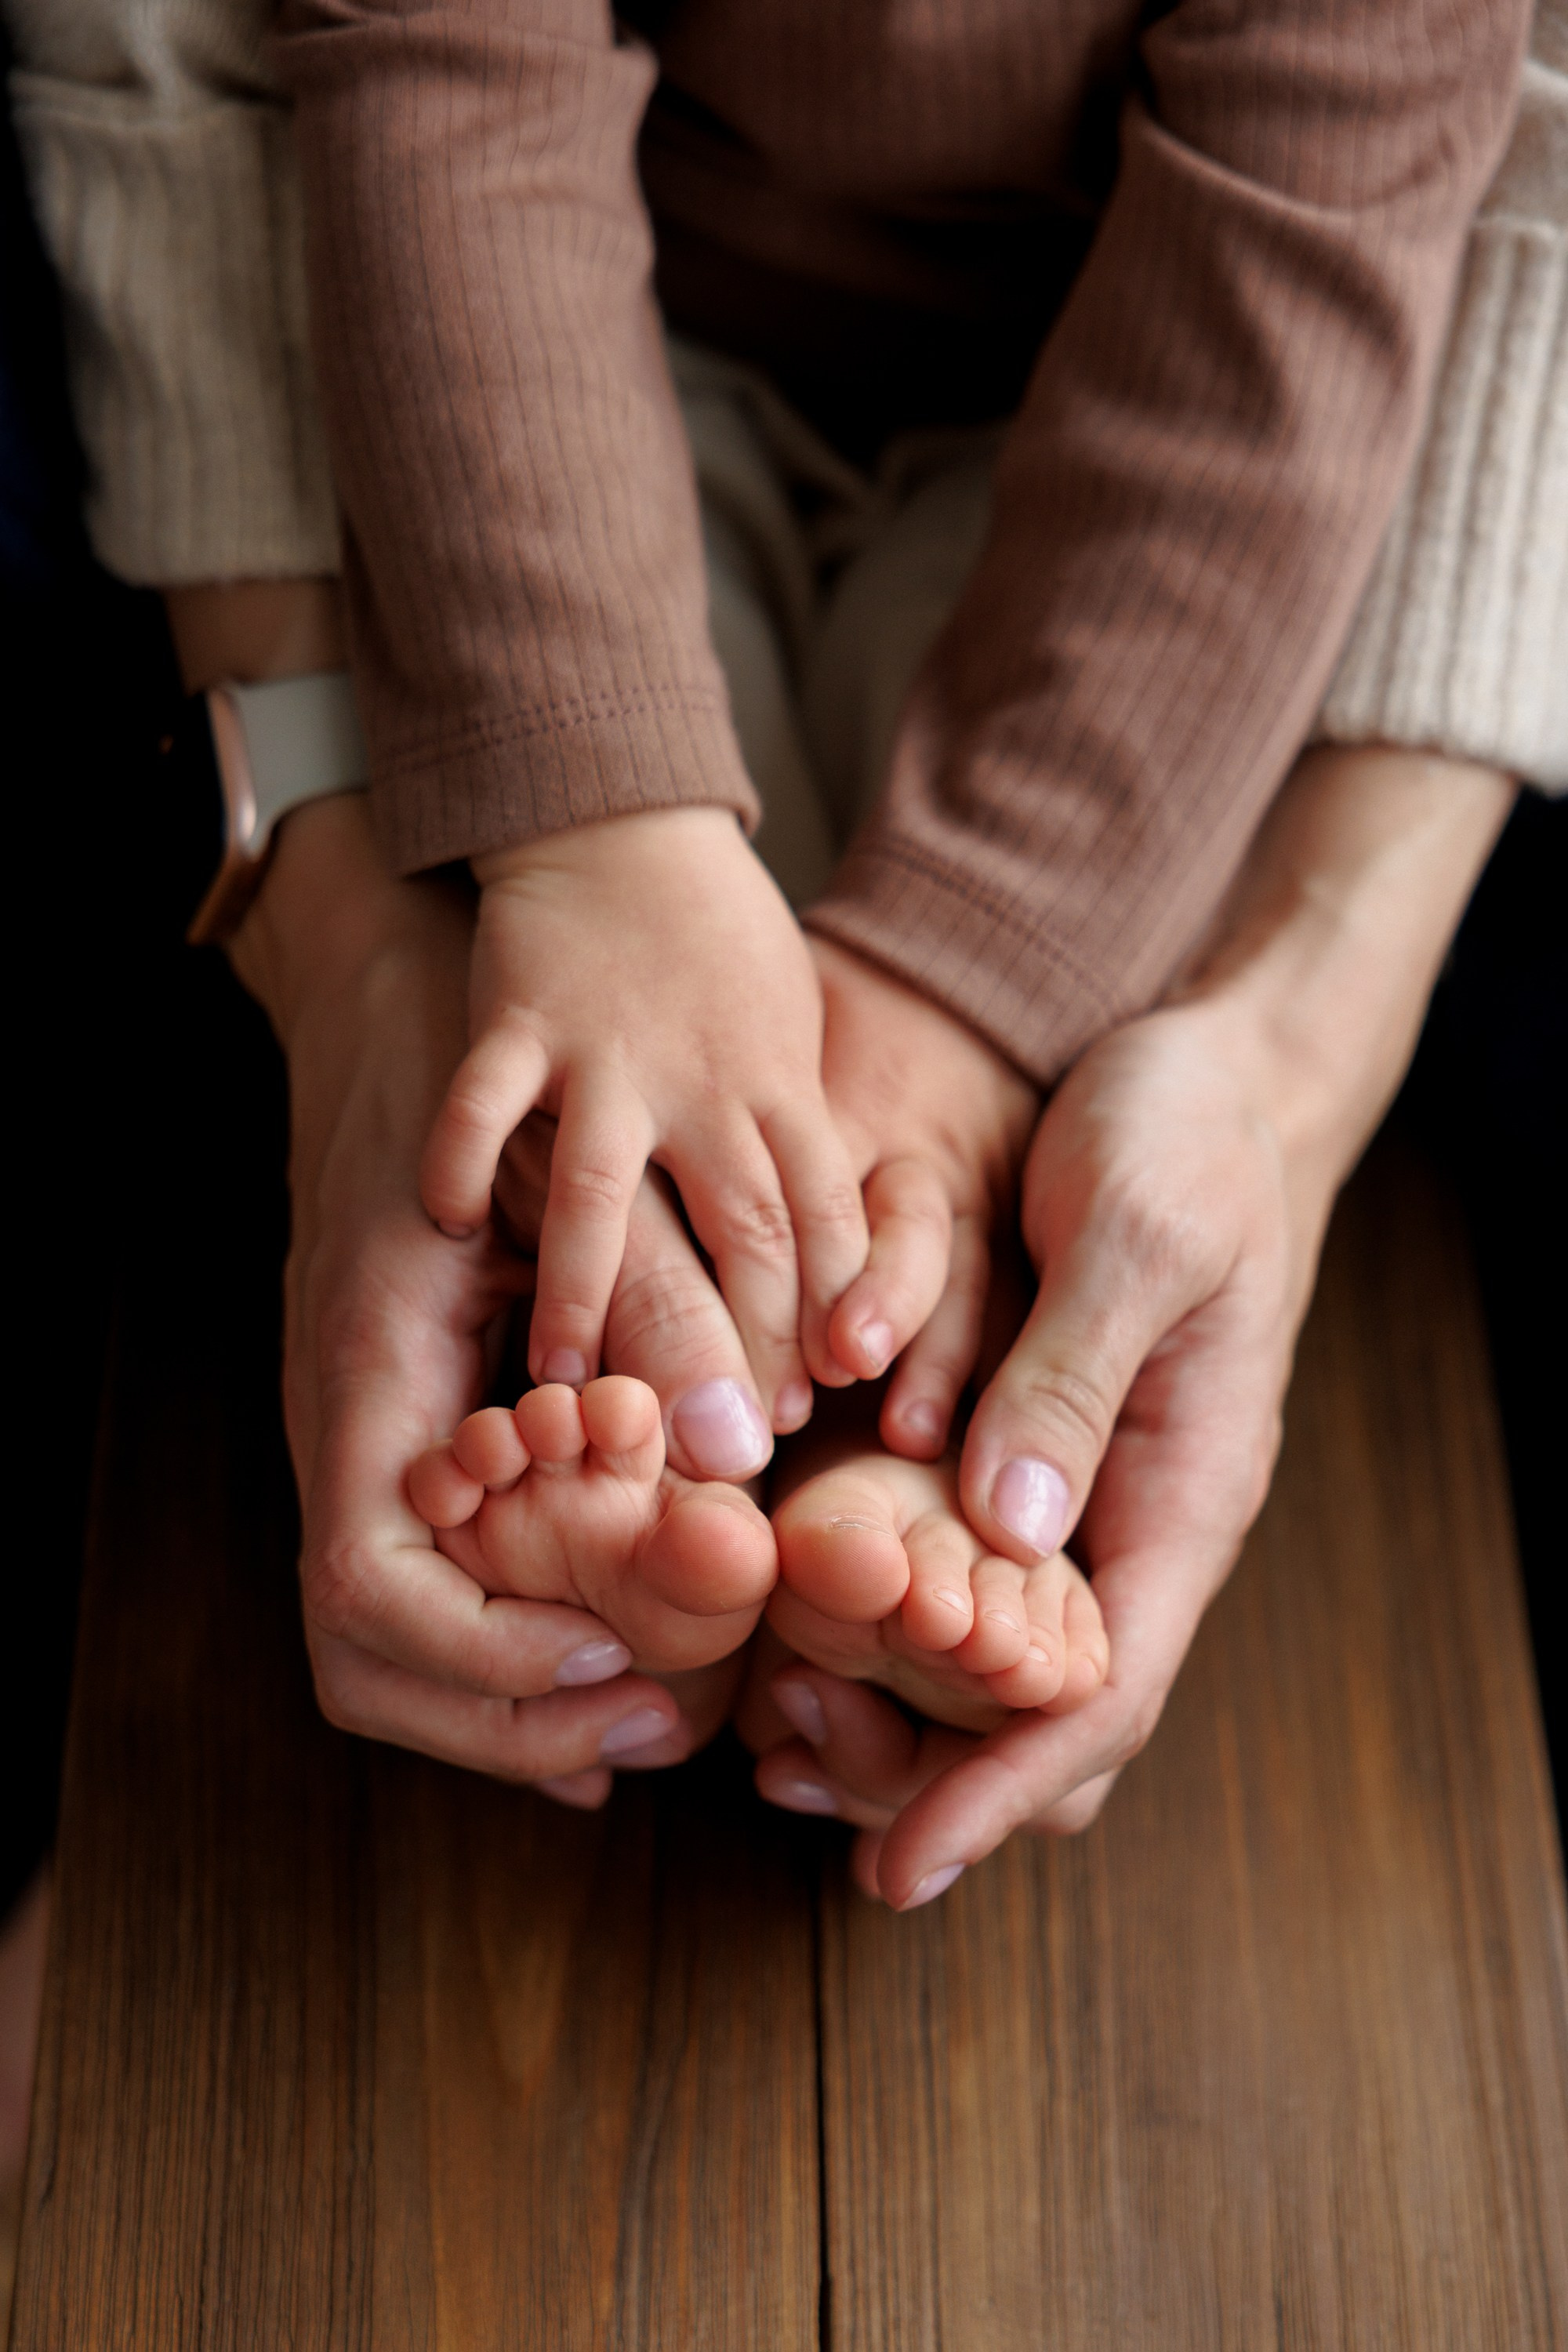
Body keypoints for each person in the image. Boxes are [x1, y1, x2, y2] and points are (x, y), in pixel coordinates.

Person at [2, 0, 1561, 1878]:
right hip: (594, 370)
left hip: (1094, 442)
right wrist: (606, 835)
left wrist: (958, 999)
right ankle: (699, 1432)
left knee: (1042, 1019)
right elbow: (451, 76)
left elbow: (1289, 272)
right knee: (607, 1009)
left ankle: (879, 1422)